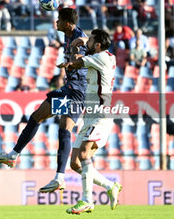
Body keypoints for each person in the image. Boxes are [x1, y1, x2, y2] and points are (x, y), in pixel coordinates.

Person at [0, 8, 88, 193]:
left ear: (67, 23)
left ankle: (50, 172)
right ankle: (22, 159)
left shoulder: (77, 36)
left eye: (59, 20)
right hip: (72, 90)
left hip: (77, 91)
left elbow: (88, 49)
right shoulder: (69, 36)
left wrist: (76, 56)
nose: (56, 22)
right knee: (48, 121)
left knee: (51, 122)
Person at [58, 29, 122, 214]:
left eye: (91, 41)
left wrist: (71, 55)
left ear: (98, 45)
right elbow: (87, 51)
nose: (87, 43)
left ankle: (87, 200)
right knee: (75, 164)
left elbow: (78, 63)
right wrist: (82, 42)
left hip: (101, 113)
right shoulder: (105, 56)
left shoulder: (101, 57)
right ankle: (110, 186)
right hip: (91, 115)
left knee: (85, 155)